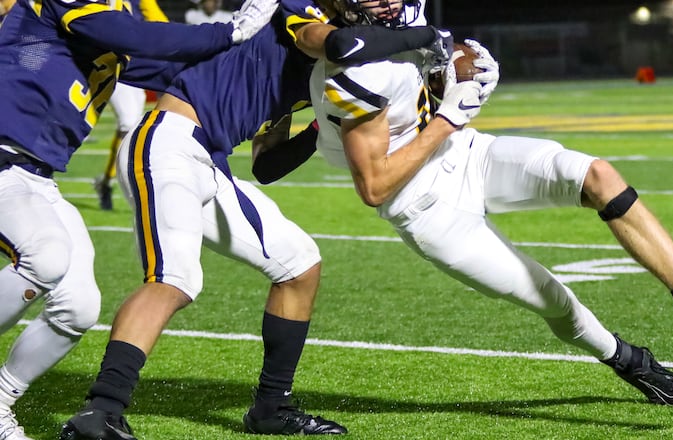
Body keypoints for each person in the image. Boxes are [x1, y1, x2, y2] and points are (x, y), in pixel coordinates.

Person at [260, 0, 673, 406]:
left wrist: (466, 63)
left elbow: (440, 54)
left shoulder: (401, 19)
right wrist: (449, 117)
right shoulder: (346, 71)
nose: (389, 1)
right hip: (423, 205)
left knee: (595, 174)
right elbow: (374, 187)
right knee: (551, 298)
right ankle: (629, 360)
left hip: (467, 154)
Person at [59, 1, 455, 438]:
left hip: (208, 160)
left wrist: (320, 129)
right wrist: (427, 37)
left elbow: (266, 165)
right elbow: (341, 44)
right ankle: (100, 410)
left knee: (299, 265)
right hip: (168, 139)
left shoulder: (331, 72)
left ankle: (271, 406)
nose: (384, 4)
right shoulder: (306, 16)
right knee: (173, 279)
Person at [0, 0, 279, 437]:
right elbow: (132, 36)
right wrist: (230, 31)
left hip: (35, 176)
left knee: (77, 307)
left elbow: (163, 66)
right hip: (3, 159)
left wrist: (262, 60)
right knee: (46, 256)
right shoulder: (95, 13)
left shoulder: (119, 11)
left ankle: (0, 401)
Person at [94, 0, 171, 211]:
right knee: (128, 123)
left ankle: (107, 182)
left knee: (130, 126)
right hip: (106, 61)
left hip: (132, 63)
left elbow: (158, 19)